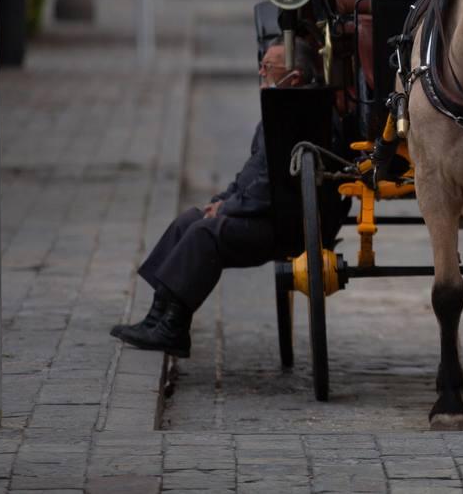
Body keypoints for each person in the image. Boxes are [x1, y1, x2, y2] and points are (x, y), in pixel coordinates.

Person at [109, 40, 312, 357]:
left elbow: (269, 189)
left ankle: (174, 328)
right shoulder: (273, 116)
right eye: (262, 64)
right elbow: (249, 175)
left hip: (279, 223)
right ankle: (157, 317)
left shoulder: (297, 120)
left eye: (269, 67)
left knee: (205, 232)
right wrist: (221, 200)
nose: (262, 72)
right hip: (257, 212)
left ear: (295, 77)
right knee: (190, 219)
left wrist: (227, 209)